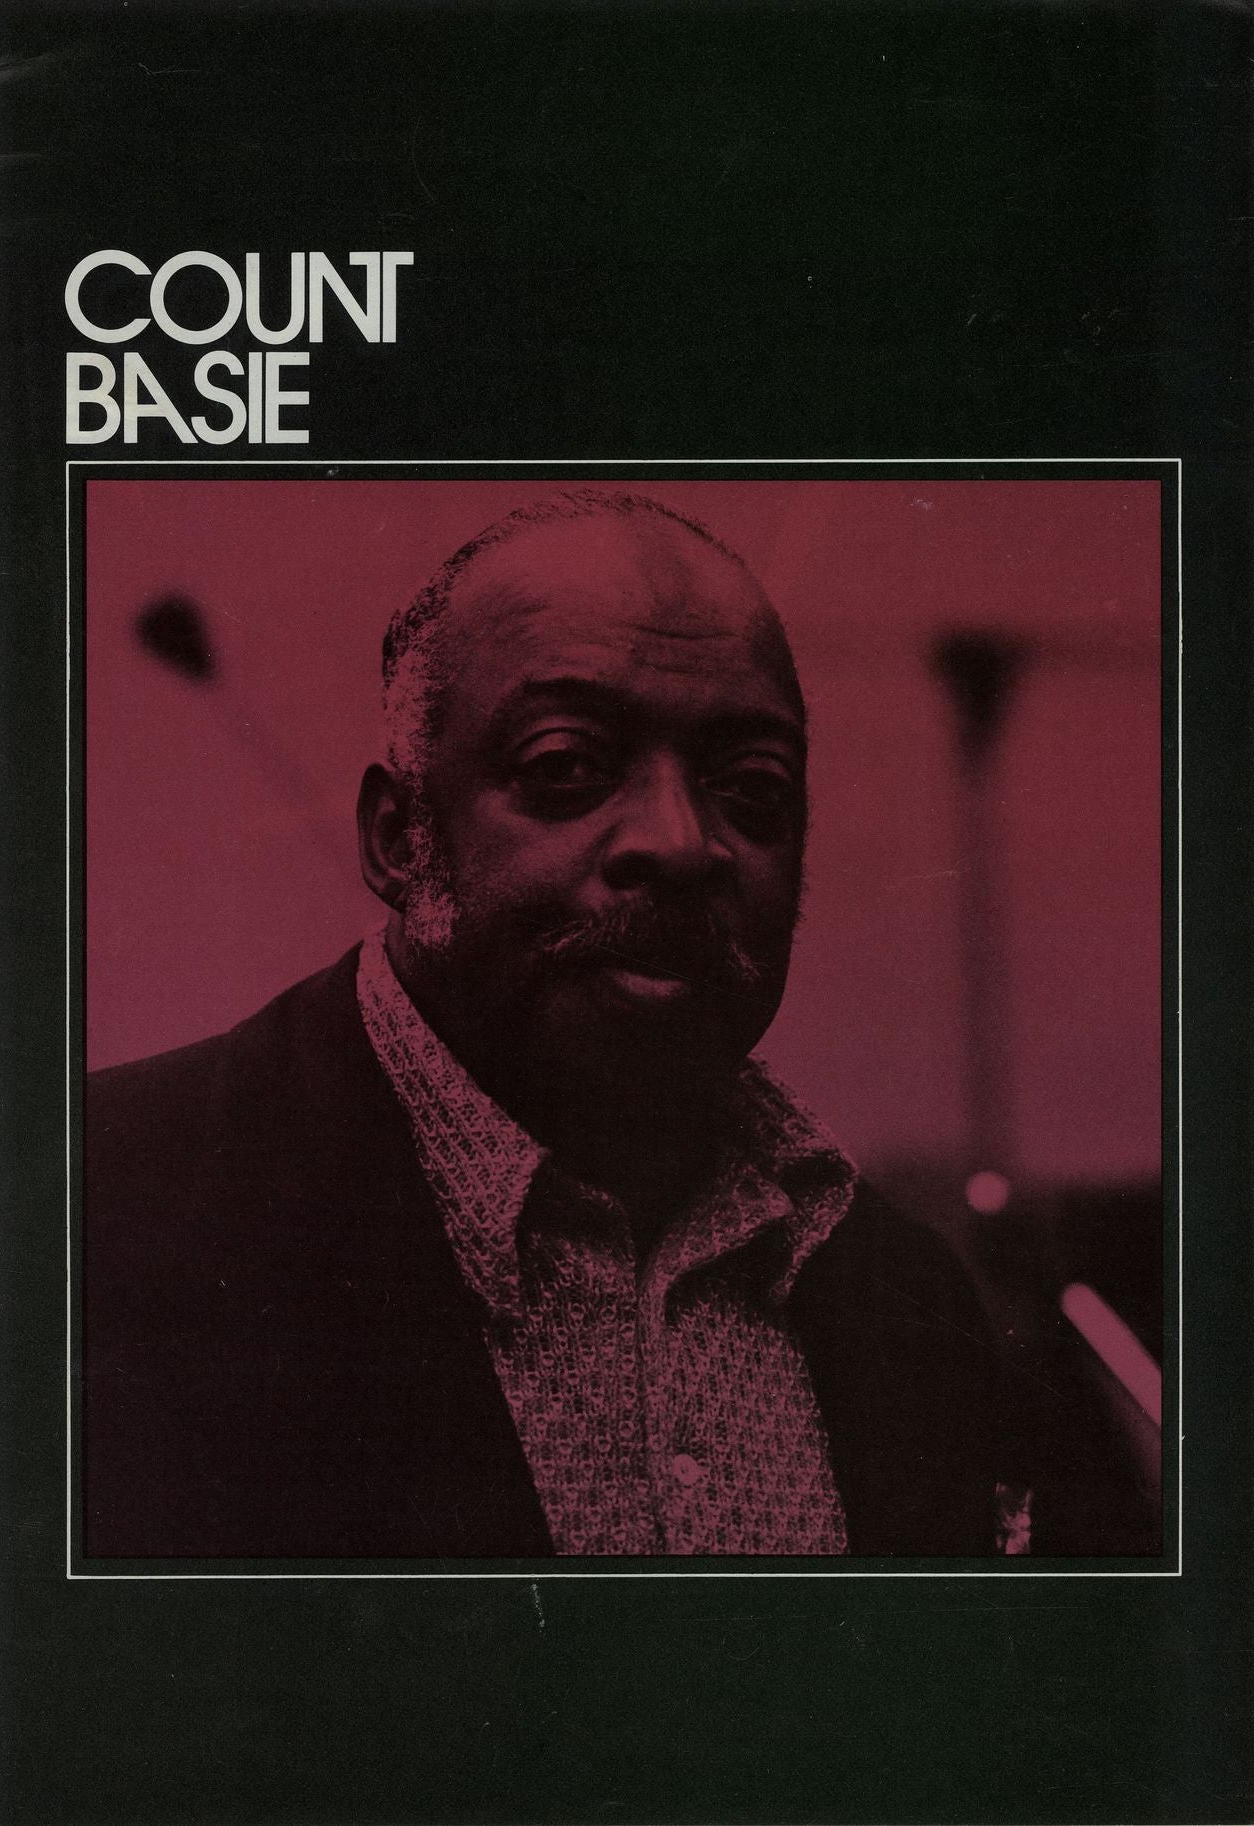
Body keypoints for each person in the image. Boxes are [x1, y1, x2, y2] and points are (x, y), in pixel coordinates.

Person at [84, 490, 1006, 1559]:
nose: (680, 842)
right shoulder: (97, 1217)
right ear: (398, 839)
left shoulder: (905, 1299)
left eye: (752, 787)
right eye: (566, 765)